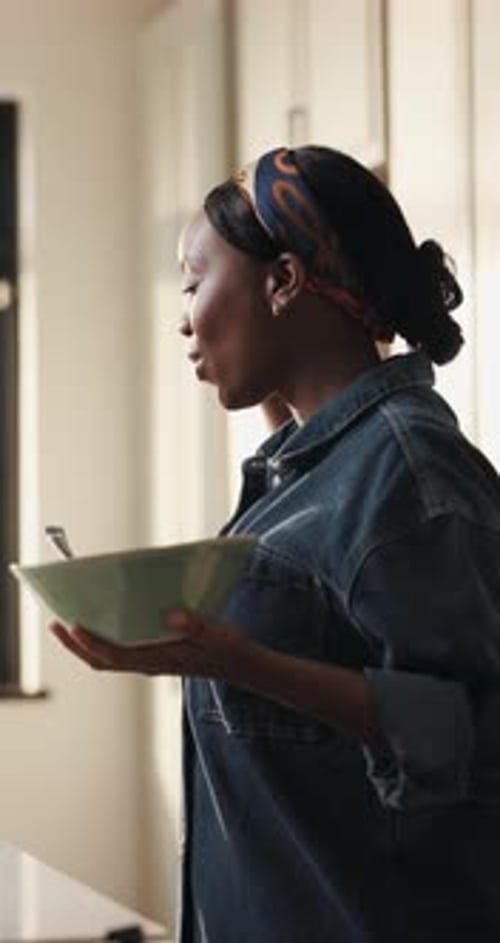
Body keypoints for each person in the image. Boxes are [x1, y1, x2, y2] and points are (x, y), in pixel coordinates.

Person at [51, 146, 500, 942]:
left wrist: (233, 660)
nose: (183, 317)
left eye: (193, 281)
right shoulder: (315, 467)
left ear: (284, 281)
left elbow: (465, 733)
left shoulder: (407, 469)